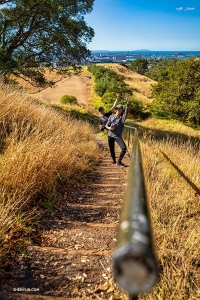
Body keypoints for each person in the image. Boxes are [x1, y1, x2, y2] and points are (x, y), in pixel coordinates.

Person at [105, 94, 130, 167]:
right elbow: (106, 125)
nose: (119, 111)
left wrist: (128, 103)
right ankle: (114, 161)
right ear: (116, 110)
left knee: (124, 148)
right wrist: (109, 128)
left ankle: (119, 162)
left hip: (117, 136)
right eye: (118, 110)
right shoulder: (111, 116)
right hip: (110, 135)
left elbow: (127, 112)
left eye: (121, 110)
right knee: (111, 149)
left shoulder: (122, 118)